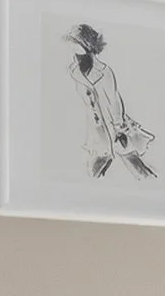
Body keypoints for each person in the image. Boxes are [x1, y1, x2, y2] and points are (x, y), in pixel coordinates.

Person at [66, 22, 157, 180]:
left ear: (85, 44)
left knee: (130, 160)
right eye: (71, 42)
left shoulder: (104, 72)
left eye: (75, 42)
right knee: (99, 164)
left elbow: (114, 100)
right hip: (97, 131)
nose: (71, 46)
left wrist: (118, 127)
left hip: (114, 128)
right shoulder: (74, 71)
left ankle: (149, 181)